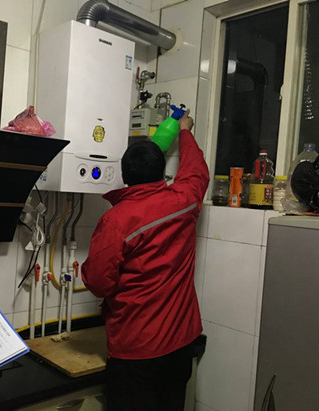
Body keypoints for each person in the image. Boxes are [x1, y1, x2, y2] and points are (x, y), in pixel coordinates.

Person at [81, 110, 209, 411]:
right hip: (180, 344)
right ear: (162, 172)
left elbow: (98, 282)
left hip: (136, 351)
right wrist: (185, 131)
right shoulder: (184, 200)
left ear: (125, 176)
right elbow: (196, 170)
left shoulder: (116, 221)